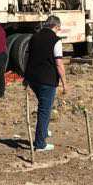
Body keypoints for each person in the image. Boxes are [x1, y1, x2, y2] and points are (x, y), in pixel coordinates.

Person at [23, 15, 67, 153]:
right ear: (56, 27)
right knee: (45, 110)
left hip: (32, 78)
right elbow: (59, 64)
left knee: (43, 105)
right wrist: (65, 84)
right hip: (47, 80)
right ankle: (40, 143)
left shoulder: (34, 37)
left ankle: (43, 131)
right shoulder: (56, 41)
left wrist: (25, 77)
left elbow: (28, 57)